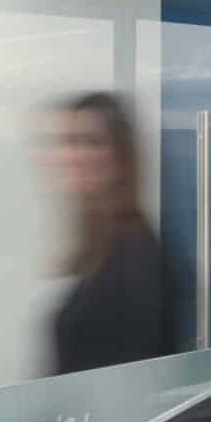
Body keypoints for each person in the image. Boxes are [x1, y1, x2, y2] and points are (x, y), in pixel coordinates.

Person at [45, 91, 179, 375]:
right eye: (66, 142)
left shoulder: (135, 255)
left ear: (120, 156)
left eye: (90, 143)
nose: (73, 156)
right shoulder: (101, 246)